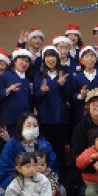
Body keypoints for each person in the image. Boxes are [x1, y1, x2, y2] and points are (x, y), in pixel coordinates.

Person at [33, 45, 72, 176]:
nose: (50, 60)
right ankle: (47, 177)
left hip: (61, 118)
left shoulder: (64, 74)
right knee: (46, 150)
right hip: (45, 119)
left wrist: (62, 85)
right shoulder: (39, 76)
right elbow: (34, 98)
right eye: (48, 57)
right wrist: (41, 91)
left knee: (61, 150)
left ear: (57, 58)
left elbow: (69, 96)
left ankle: (60, 178)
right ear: (44, 59)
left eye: (53, 56)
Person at [0, 113, 57, 190]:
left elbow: (53, 166)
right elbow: (4, 170)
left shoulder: (45, 145)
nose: (32, 128)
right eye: (28, 125)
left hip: (42, 184)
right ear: (21, 127)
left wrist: (44, 174)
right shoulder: (11, 145)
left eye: (35, 126)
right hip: (18, 184)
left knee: (61, 190)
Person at [0, 48, 34, 136]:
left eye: (27, 61)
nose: (24, 63)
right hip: (9, 120)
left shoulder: (29, 78)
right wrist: (7, 90)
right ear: (14, 61)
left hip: (26, 120)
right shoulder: (5, 76)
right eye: (21, 60)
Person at [71, 46, 98, 123]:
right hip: (82, 115)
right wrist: (81, 95)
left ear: (96, 59)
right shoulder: (77, 78)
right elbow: (72, 96)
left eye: (92, 56)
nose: (90, 59)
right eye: (86, 57)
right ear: (82, 61)